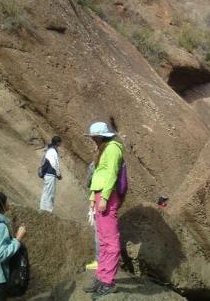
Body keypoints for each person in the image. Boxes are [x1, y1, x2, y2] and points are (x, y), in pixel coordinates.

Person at [83, 122, 124, 298]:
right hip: (100, 196)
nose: (92, 140)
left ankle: (108, 281)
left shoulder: (114, 148)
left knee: (111, 241)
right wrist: (93, 197)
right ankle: (101, 276)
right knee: (103, 240)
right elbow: (98, 176)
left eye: (93, 137)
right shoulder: (104, 149)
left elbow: (112, 174)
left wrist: (105, 197)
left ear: (100, 136)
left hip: (107, 197)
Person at [39, 136, 62, 213]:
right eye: (60, 142)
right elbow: (54, 163)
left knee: (46, 192)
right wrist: (58, 174)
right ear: (58, 142)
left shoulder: (50, 150)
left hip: (47, 174)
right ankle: (47, 210)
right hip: (50, 174)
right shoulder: (52, 151)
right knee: (50, 193)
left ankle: (43, 208)